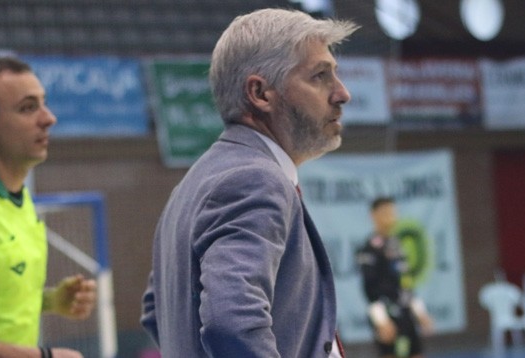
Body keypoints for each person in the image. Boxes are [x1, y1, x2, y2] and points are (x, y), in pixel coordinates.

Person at [140, 8, 359, 357]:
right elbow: (231, 322)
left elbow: (157, 311)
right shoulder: (254, 179)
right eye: (320, 76)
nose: (342, 93)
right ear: (260, 93)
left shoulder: (193, 184)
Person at [0, 57, 97, 358]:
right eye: (28, 108)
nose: (48, 118)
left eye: (43, 103)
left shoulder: (15, 196)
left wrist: (49, 301)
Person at [356, 197, 435, 358]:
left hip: (406, 311)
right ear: (373, 215)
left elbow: (406, 284)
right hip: (387, 313)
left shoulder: (397, 244)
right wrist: (381, 320)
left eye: (392, 212)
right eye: (385, 212)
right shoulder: (370, 248)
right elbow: (369, 288)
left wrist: (420, 312)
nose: (390, 216)